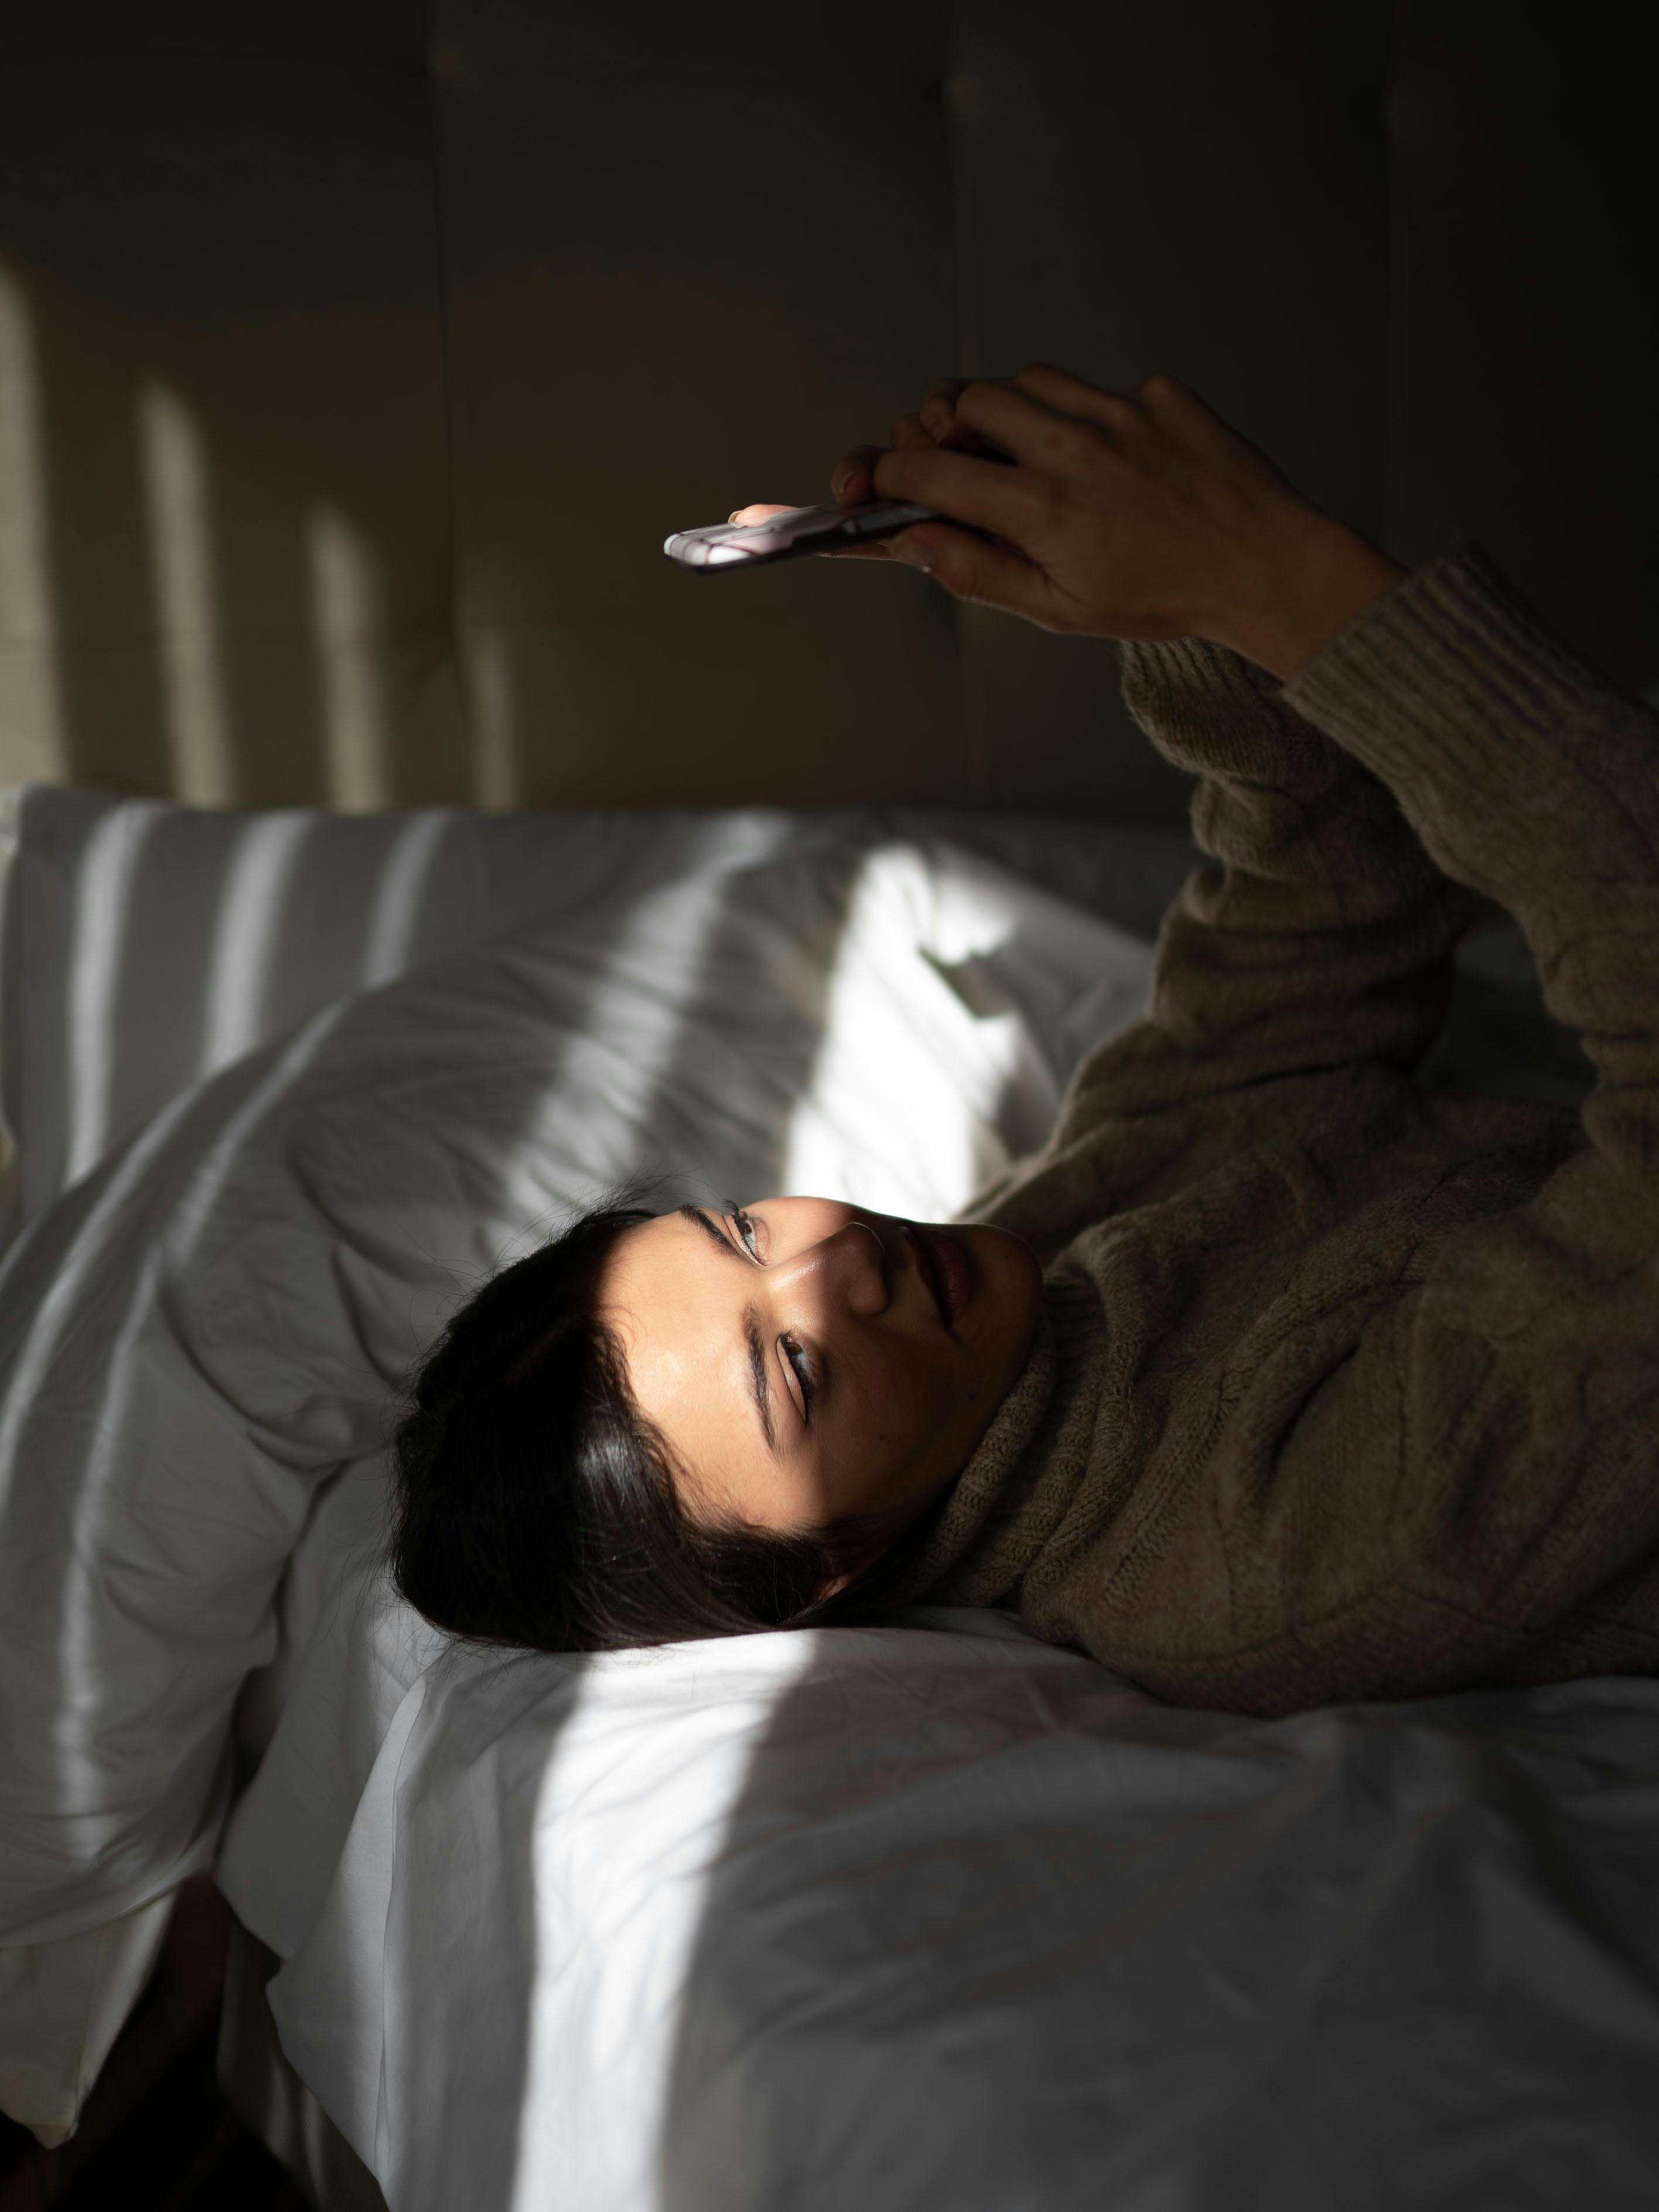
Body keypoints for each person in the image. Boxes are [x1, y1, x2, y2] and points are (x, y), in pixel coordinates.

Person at [391, 366, 1659, 1716]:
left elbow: (1323, 918)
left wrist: (1154, 603)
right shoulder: (1264, 1553)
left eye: (744, 1233)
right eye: (796, 1367)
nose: (838, 1261)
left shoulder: (1037, 1271)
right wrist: (1285, 583)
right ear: (828, 1571)